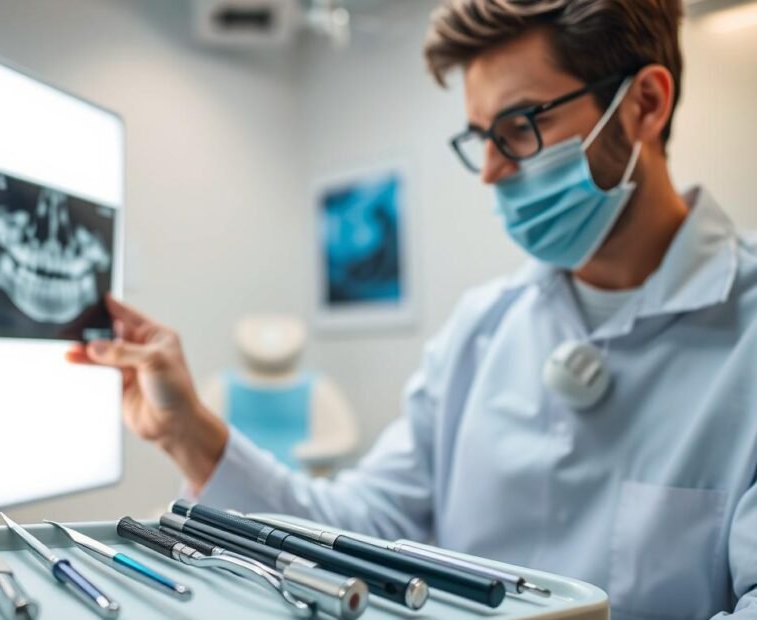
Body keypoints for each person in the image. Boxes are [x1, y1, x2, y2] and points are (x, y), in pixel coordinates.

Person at [67, 1, 757, 617]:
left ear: (644, 104)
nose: (489, 170)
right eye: (480, 137)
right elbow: (354, 525)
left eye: (518, 127)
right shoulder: (481, 332)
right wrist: (186, 429)